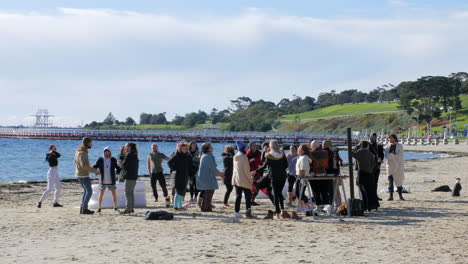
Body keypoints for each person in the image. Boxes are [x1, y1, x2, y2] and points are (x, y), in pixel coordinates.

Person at [255, 140, 290, 219]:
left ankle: (277, 213)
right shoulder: (282, 154)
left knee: (276, 195)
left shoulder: (269, 155)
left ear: (270, 147)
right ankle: (282, 211)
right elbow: (286, 165)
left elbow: (264, 167)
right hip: (283, 176)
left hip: (274, 177)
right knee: (279, 193)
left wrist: (255, 171)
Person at [74, 137, 100, 215]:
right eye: (90, 142)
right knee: (89, 191)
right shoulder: (82, 152)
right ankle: (84, 209)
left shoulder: (79, 151)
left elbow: (75, 161)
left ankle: (83, 208)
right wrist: (95, 171)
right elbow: (84, 165)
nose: (91, 144)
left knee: (86, 191)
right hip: (83, 175)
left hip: (79, 174)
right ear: (87, 143)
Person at [196, 143, 224, 212]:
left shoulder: (205, 156)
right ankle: (205, 208)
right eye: (211, 147)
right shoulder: (208, 156)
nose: (212, 148)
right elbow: (212, 168)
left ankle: (207, 207)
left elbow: (212, 167)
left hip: (205, 176)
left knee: (208, 192)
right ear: (208, 149)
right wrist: (220, 174)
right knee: (209, 192)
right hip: (207, 177)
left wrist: (219, 173)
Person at [352, 141, 379, 211]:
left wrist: (356, 147)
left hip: (362, 173)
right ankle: (371, 206)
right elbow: (374, 164)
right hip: (369, 174)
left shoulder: (359, 152)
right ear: (368, 146)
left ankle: (365, 206)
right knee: (370, 191)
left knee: (362, 191)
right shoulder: (371, 154)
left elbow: (351, 153)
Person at [168, 142, 196, 210]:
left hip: (186, 175)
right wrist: (174, 168)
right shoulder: (177, 155)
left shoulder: (188, 156)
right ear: (180, 149)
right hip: (178, 175)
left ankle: (179, 206)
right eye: (183, 148)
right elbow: (169, 163)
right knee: (178, 191)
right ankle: (175, 206)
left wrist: (194, 170)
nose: (184, 149)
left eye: (186, 148)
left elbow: (191, 165)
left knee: (183, 191)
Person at [93, 146, 120, 213]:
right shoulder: (100, 159)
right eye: (105, 151)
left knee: (113, 194)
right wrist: (96, 172)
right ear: (104, 151)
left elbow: (118, 167)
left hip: (111, 180)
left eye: (108, 151)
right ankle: (99, 208)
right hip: (103, 180)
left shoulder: (113, 159)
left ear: (110, 152)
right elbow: (94, 166)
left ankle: (115, 208)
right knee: (101, 194)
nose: (107, 152)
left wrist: (118, 172)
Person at [232, 141, 255, 218]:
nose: (247, 149)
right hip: (244, 180)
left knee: (238, 196)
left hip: (236, 179)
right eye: (246, 148)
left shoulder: (235, 156)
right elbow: (246, 171)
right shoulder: (244, 157)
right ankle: (248, 212)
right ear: (242, 148)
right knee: (248, 197)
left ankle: (236, 212)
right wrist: (250, 179)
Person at [385, 134, 405, 201]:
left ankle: (400, 196)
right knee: (390, 183)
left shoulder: (399, 146)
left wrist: (392, 156)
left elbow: (400, 156)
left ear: (394, 138)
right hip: (390, 167)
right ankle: (391, 196)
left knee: (399, 182)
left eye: (390, 138)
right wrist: (393, 155)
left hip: (398, 167)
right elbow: (387, 156)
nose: (389, 140)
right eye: (389, 138)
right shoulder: (387, 146)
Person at [120, 142, 139, 214]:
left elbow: (124, 165)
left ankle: (128, 208)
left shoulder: (129, 155)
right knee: (131, 193)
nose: (125, 148)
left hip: (129, 176)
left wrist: (119, 163)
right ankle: (131, 208)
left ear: (129, 147)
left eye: (126, 146)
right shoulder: (135, 154)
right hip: (134, 176)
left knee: (127, 193)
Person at [247, 142, 263, 206]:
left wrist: (263, 165)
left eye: (255, 146)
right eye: (253, 146)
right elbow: (245, 163)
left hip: (257, 172)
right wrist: (250, 160)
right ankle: (250, 201)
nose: (255, 147)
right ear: (250, 147)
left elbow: (260, 162)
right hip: (250, 172)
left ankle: (252, 200)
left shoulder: (259, 153)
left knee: (257, 187)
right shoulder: (248, 153)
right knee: (251, 188)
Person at [370, 133, 385, 200]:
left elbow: (382, 155)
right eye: (373, 137)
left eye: (375, 137)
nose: (374, 138)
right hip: (370, 167)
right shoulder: (369, 145)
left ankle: (375, 195)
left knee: (375, 182)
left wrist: (380, 159)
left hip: (377, 166)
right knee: (371, 182)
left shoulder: (379, 145)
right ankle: (371, 196)